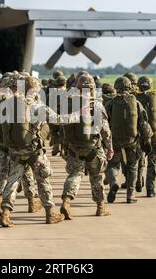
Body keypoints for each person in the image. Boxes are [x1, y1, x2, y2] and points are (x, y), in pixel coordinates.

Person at [0, 76, 64, 227]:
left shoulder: (10, 104)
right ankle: (50, 213)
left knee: (13, 181)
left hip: (16, 151)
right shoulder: (37, 105)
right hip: (34, 152)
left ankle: (6, 213)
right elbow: (58, 119)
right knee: (43, 180)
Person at [60, 74, 113, 219]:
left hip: (74, 147)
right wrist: (110, 147)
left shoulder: (69, 104)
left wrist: (64, 145)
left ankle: (66, 201)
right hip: (93, 147)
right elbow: (105, 129)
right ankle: (100, 207)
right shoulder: (96, 105)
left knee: (74, 175)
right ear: (92, 88)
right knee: (96, 177)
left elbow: (63, 126)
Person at [0, 73, 42, 216]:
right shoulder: (17, 101)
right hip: (17, 144)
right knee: (26, 173)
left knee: (3, 173)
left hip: (0, 143)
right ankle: (31, 202)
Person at [105, 77, 152, 204]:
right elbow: (144, 124)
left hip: (115, 141)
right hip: (132, 141)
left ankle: (114, 183)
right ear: (129, 87)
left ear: (116, 87)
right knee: (132, 166)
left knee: (113, 165)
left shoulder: (110, 103)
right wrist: (147, 141)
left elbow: (104, 122)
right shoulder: (136, 103)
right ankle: (130, 195)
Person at [136, 76, 156, 197]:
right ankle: (150, 189)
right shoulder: (155, 98)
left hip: (138, 136)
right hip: (154, 136)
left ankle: (138, 181)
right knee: (152, 163)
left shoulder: (134, 99)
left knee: (138, 161)